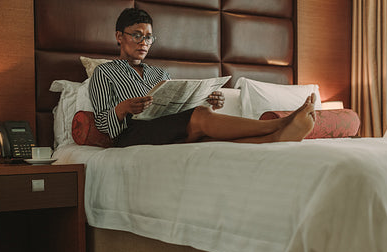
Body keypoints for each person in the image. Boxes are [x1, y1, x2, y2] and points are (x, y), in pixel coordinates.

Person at [89, 8, 316, 148]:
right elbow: (101, 123)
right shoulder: (104, 72)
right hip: (132, 133)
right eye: (137, 35)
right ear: (120, 36)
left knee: (204, 132)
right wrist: (123, 108)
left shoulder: (160, 74)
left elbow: (177, 110)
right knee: (199, 117)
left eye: (149, 37)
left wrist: (205, 100)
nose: (144, 42)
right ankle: (278, 124)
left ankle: (274, 140)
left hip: (167, 126)